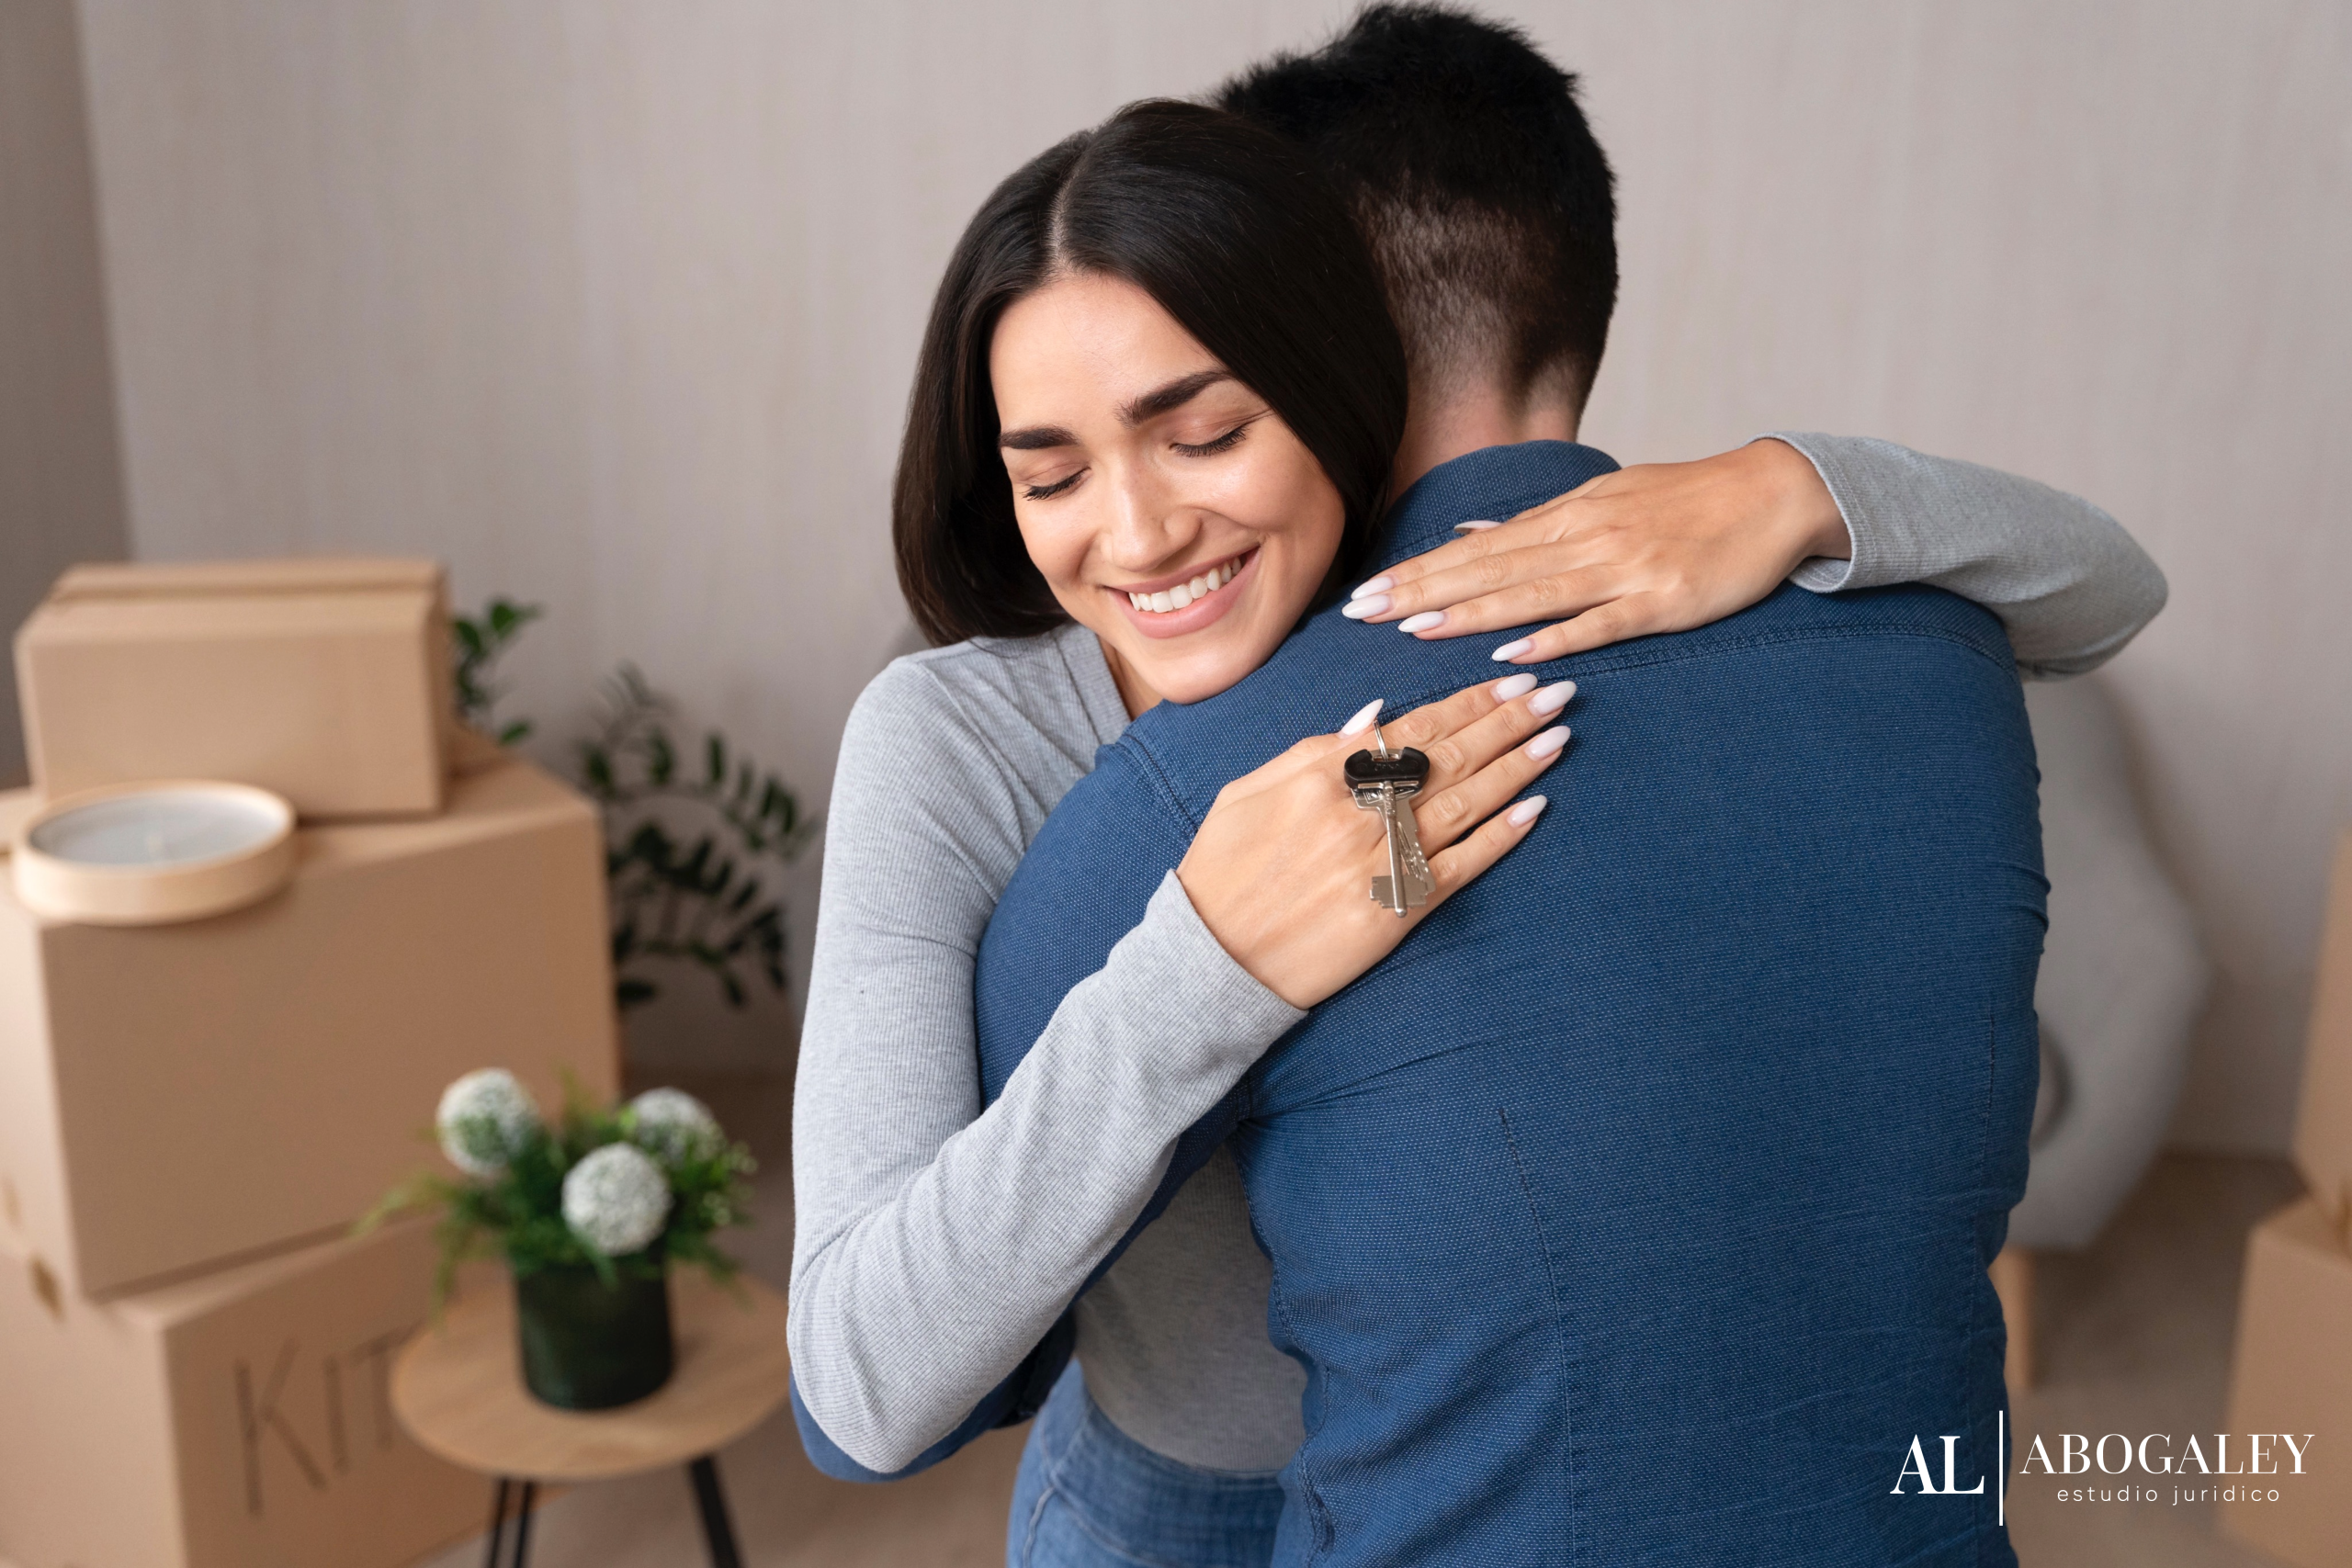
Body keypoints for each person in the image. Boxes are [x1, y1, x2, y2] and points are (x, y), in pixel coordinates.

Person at [792, 10, 2162, 1563]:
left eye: (1207, 429)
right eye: (1052, 474)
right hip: (1177, 1497)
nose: (1143, 531)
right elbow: (865, 1380)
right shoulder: (970, 744)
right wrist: (1210, 960)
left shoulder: (1548, 618)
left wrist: (1795, 485)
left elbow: (2106, 584)